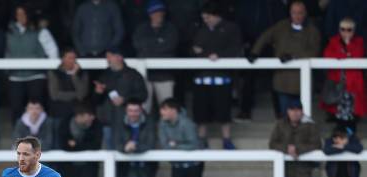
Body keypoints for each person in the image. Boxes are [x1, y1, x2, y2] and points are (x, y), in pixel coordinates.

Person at [249, 0, 321, 117]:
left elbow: (314, 51)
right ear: (290, 13)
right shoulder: (280, 26)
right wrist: (255, 52)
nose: (297, 16)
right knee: (284, 117)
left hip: (302, 82)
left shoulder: (313, 31)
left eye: (300, 13)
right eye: (294, 13)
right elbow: (264, 37)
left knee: (302, 117)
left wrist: (293, 57)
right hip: (282, 81)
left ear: (305, 13)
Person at [191, 1, 243, 150]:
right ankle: (202, 139)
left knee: (224, 110)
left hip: (222, 77)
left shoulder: (231, 28)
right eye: (204, 18)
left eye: (208, 17)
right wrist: (202, 53)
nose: (206, 20)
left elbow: (235, 49)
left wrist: (219, 55)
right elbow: (194, 50)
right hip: (201, 78)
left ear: (217, 15)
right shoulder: (200, 30)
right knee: (201, 111)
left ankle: (226, 139)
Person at [5, 5, 58, 122]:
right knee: (16, 109)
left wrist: (49, 71)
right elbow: (6, 52)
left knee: (37, 108)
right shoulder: (9, 31)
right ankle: (19, 137)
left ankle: (39, 136)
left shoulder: (40, 31)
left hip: (36, 76)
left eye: (23, 14)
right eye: (18, 14)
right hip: (15, 77)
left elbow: (52, 51)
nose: (21, 17)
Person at [269, 100, 322, 177]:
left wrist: (298, 149)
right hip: (283, 171)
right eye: (292, 110)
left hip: (301, 171)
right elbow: (273, 143)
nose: (295, 113)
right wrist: (287, 149)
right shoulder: (280, 124)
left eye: (298, 110)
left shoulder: (310, 125)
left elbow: (317, 144)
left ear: (302, 111)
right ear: (288, 111)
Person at [94, 47, 147, 150]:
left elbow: (143, 95)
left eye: (109, 56)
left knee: (126, 152)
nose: (107, 59)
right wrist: (98, 93)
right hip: (107, 121)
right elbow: (96, 100)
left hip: (126, 123)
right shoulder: (103, 75)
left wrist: (125, 100)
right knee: (110, 154)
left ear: (119, 57)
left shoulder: (133, 75)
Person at [320, 17, 366, 132]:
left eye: (349, 30)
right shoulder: (333, 41)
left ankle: (350, 137)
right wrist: (346, 55)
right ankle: (341, 138)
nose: (345, 32)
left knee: (351, 115)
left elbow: (358, 55)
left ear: (354, 31)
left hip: (353, 85)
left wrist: (346, 46)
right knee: (339, 113)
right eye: (343, 29)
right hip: (337, 83)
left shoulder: (359, 41)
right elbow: (328, 55)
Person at [132, 0, 179, 113]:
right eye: (156, 12)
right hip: (144, 75)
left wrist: (150, 47)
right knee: (143, 108)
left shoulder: (171, 29)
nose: (159, 15)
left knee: (167, 108)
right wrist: (158, 44)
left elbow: (171, 46)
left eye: (161, 12)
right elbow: (137, 45)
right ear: (150, 14)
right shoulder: (141, 29)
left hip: (164, 75)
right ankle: (144, 131)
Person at [47, 47, 90, 124]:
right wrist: (75, 94)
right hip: (59, 110)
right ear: (63, 59)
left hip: (77, 112)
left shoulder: (82, 73)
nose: (72, 60)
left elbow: (82, 94)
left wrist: (74, 76)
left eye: (74, 58)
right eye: (70, 58)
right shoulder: (54, 73)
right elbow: (55, 95)